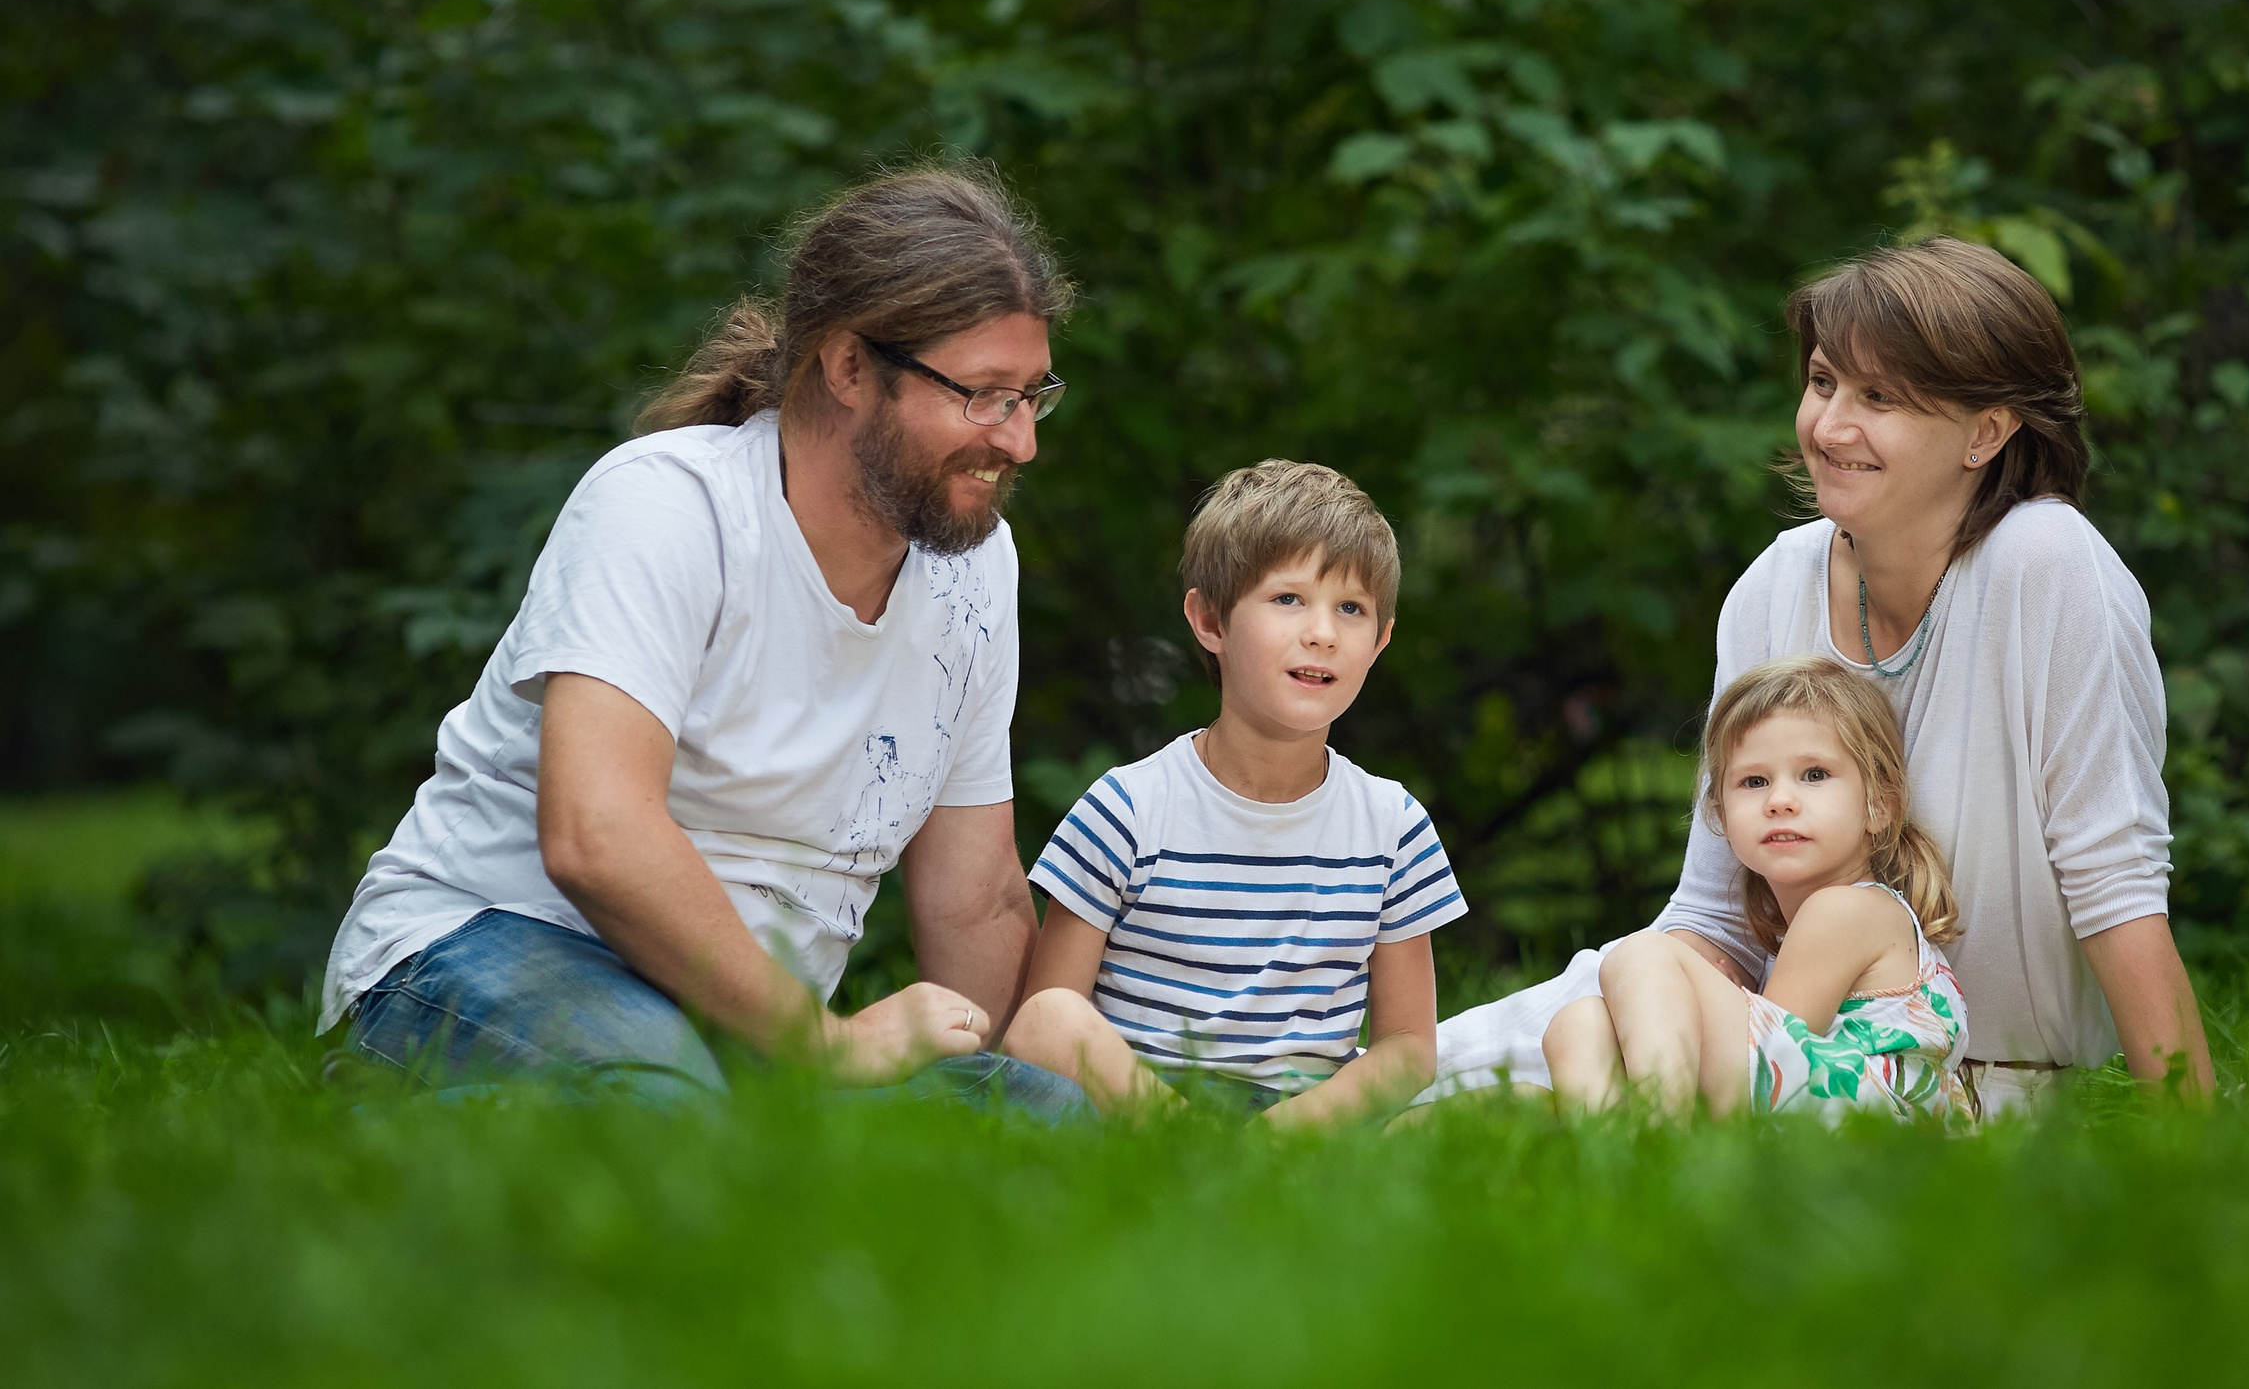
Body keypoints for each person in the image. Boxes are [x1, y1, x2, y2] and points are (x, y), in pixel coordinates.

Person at [317, 163, 1087, 1114]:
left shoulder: (975, 569)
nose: (1020, 443)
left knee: (1045, 1119)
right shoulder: (667, 504)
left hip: (752, 1034)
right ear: (849, 367)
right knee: (660, 1101)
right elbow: (595, 835)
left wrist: (999, 1073)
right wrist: (821, 1043)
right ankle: (391, 1115)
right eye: (983, 396)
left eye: (1031, 396)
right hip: (498, 944)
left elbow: (974, 897)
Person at [1431, 237, 2214, 1116]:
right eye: (1823, 382)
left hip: (1951, 1078)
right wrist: (1644, 1012)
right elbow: (1716, 908)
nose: (1831, 426)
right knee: (1439, 1075)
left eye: (1880, 397)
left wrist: (2204, 1131)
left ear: (1987, 432)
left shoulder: (2047, 564)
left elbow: (2115, 878)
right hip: (1767, 1034)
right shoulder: (1774, 585)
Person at [1002, 461, 1467, 1126]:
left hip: (1305, 1118)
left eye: (1351, 608)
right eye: (1287, 599)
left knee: (1501, 1110)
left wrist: (1283, 1138)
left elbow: (1408, 1047)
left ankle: (1240, 1164)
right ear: (1210, 620)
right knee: (1039, 1038)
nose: (1323, 632)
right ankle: (1194, 1152)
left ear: (1381, 640)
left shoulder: (1392, 826)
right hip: (1135, 1107)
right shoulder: (1127, 809)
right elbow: (1044, 1024)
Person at [1545, 657, 1970, 1122]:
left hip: (1884, 1137)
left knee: (1643, 953)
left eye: (1814, 775)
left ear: (1879, 806)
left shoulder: (1848, 911)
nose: (1780, 801)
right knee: (1577, 1025)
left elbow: (1771, 1057)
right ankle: (1619, 1174)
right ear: (1722, 817)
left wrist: (1722, 1006)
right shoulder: (1803, 925)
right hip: (1819, 1114)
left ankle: (1659, 1144)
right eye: (1754, 781)